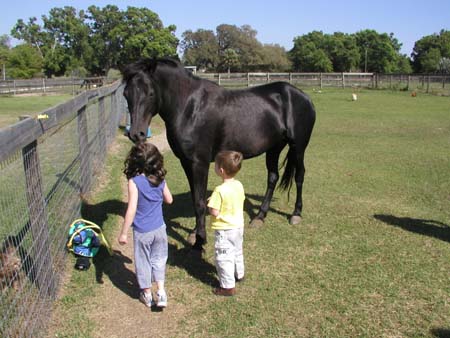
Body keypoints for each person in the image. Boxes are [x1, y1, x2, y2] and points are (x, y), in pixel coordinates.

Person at [118, 142, 173, 308]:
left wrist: (124, 233)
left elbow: (132, 208)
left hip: (143, 231)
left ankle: (147, 294)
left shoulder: (134, 182)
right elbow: (170, 200)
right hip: (160, 229)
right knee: (159, 259)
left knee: (143, 261)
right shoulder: (160, 179)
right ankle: (161, 292)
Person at [207, 150, 245, 296]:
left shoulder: (219, 190)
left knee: (223, 257)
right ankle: (239, 274)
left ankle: (227, 286)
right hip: (238, 227)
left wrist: (210, 205)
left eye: (215, 165)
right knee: (237, 251)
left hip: (224, 230)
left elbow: (214, 211)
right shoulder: (239, 185)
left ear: (221, 170)